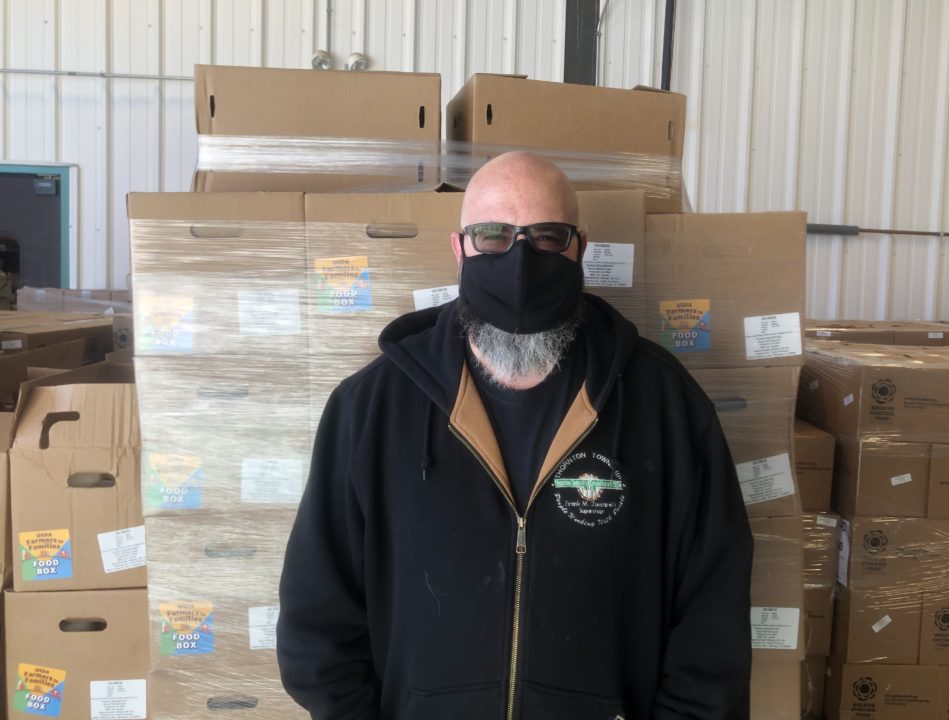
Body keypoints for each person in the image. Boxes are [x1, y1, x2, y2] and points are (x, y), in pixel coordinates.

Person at [277, 152, 753, 719]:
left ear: (579, 246)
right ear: (458, 248)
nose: (520, 259)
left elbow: (712, 622)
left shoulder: (666, 407)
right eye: (493, 235)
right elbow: (317, 619)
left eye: (546, 236)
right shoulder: (371, 410)